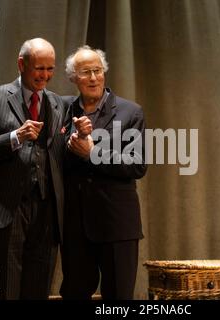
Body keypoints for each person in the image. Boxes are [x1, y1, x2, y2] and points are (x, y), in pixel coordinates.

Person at [0, 38, 68, 299]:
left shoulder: (59, 104)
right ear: (21, 64)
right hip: (6, 208)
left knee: (38, 289)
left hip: (47, 211)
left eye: (50, 69)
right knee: (3, 289)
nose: (45, 76)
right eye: (39, 68)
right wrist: (15, 137)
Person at [59, 45, 147, 299]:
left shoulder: (131, 112)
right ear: (73, 77)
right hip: (75, 225)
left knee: (118, 298)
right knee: (74, 292)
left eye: (98, 70)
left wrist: (92, 153)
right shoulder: (63, 110)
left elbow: (137, 164)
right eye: (86, 72)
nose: (94, 78)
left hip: (117, 224)